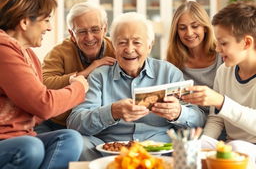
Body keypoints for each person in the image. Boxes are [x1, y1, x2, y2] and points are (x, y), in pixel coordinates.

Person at [67, 12, 206, 161]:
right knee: (76, 141)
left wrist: (179, 112)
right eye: (122, 42)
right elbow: (74, 122)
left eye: (137, 42)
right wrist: (111, 112)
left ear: (149, 46)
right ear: (114, 46)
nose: (129, 49)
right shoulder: (99, 76)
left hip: (159, 151)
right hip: (108, 152)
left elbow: (199, 119)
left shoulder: (169, 73)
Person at [0, 0, 89, 169]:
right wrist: (79, 87)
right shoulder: (3, 48)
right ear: (24, 22)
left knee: (70, 138)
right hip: (10, 141)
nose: (49, 28)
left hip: (21, 137)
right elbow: (44, 104)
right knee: (31, 147)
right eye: (46, 20)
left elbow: (36, 113)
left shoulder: (29, 54)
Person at [181, 1, 256, 164]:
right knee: (193, 147)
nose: (217, 49)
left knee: (237, 147)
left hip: (245, 148)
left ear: (247, 43)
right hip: (229, 147)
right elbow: (216, 119)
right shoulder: (224, 71)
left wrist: (221, 102)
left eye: (223, 43)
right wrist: (203, 144)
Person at [36, 2, 116, 133]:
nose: (89, 37)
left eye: (95, 29)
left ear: (105, 29)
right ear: (72, 34)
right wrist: (88, 70)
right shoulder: (59, 51)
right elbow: (43, 83)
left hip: (101, 124)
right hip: (59, 123)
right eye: (82, 31)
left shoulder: (116, 49)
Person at [166, 1, 222, 115]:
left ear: (205, 28)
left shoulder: (222, 55)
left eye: (195, 26)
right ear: (176, 31)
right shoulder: (172, 62)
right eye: (182, 28)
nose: (189, 33)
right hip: (188, 125)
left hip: (221, 123)